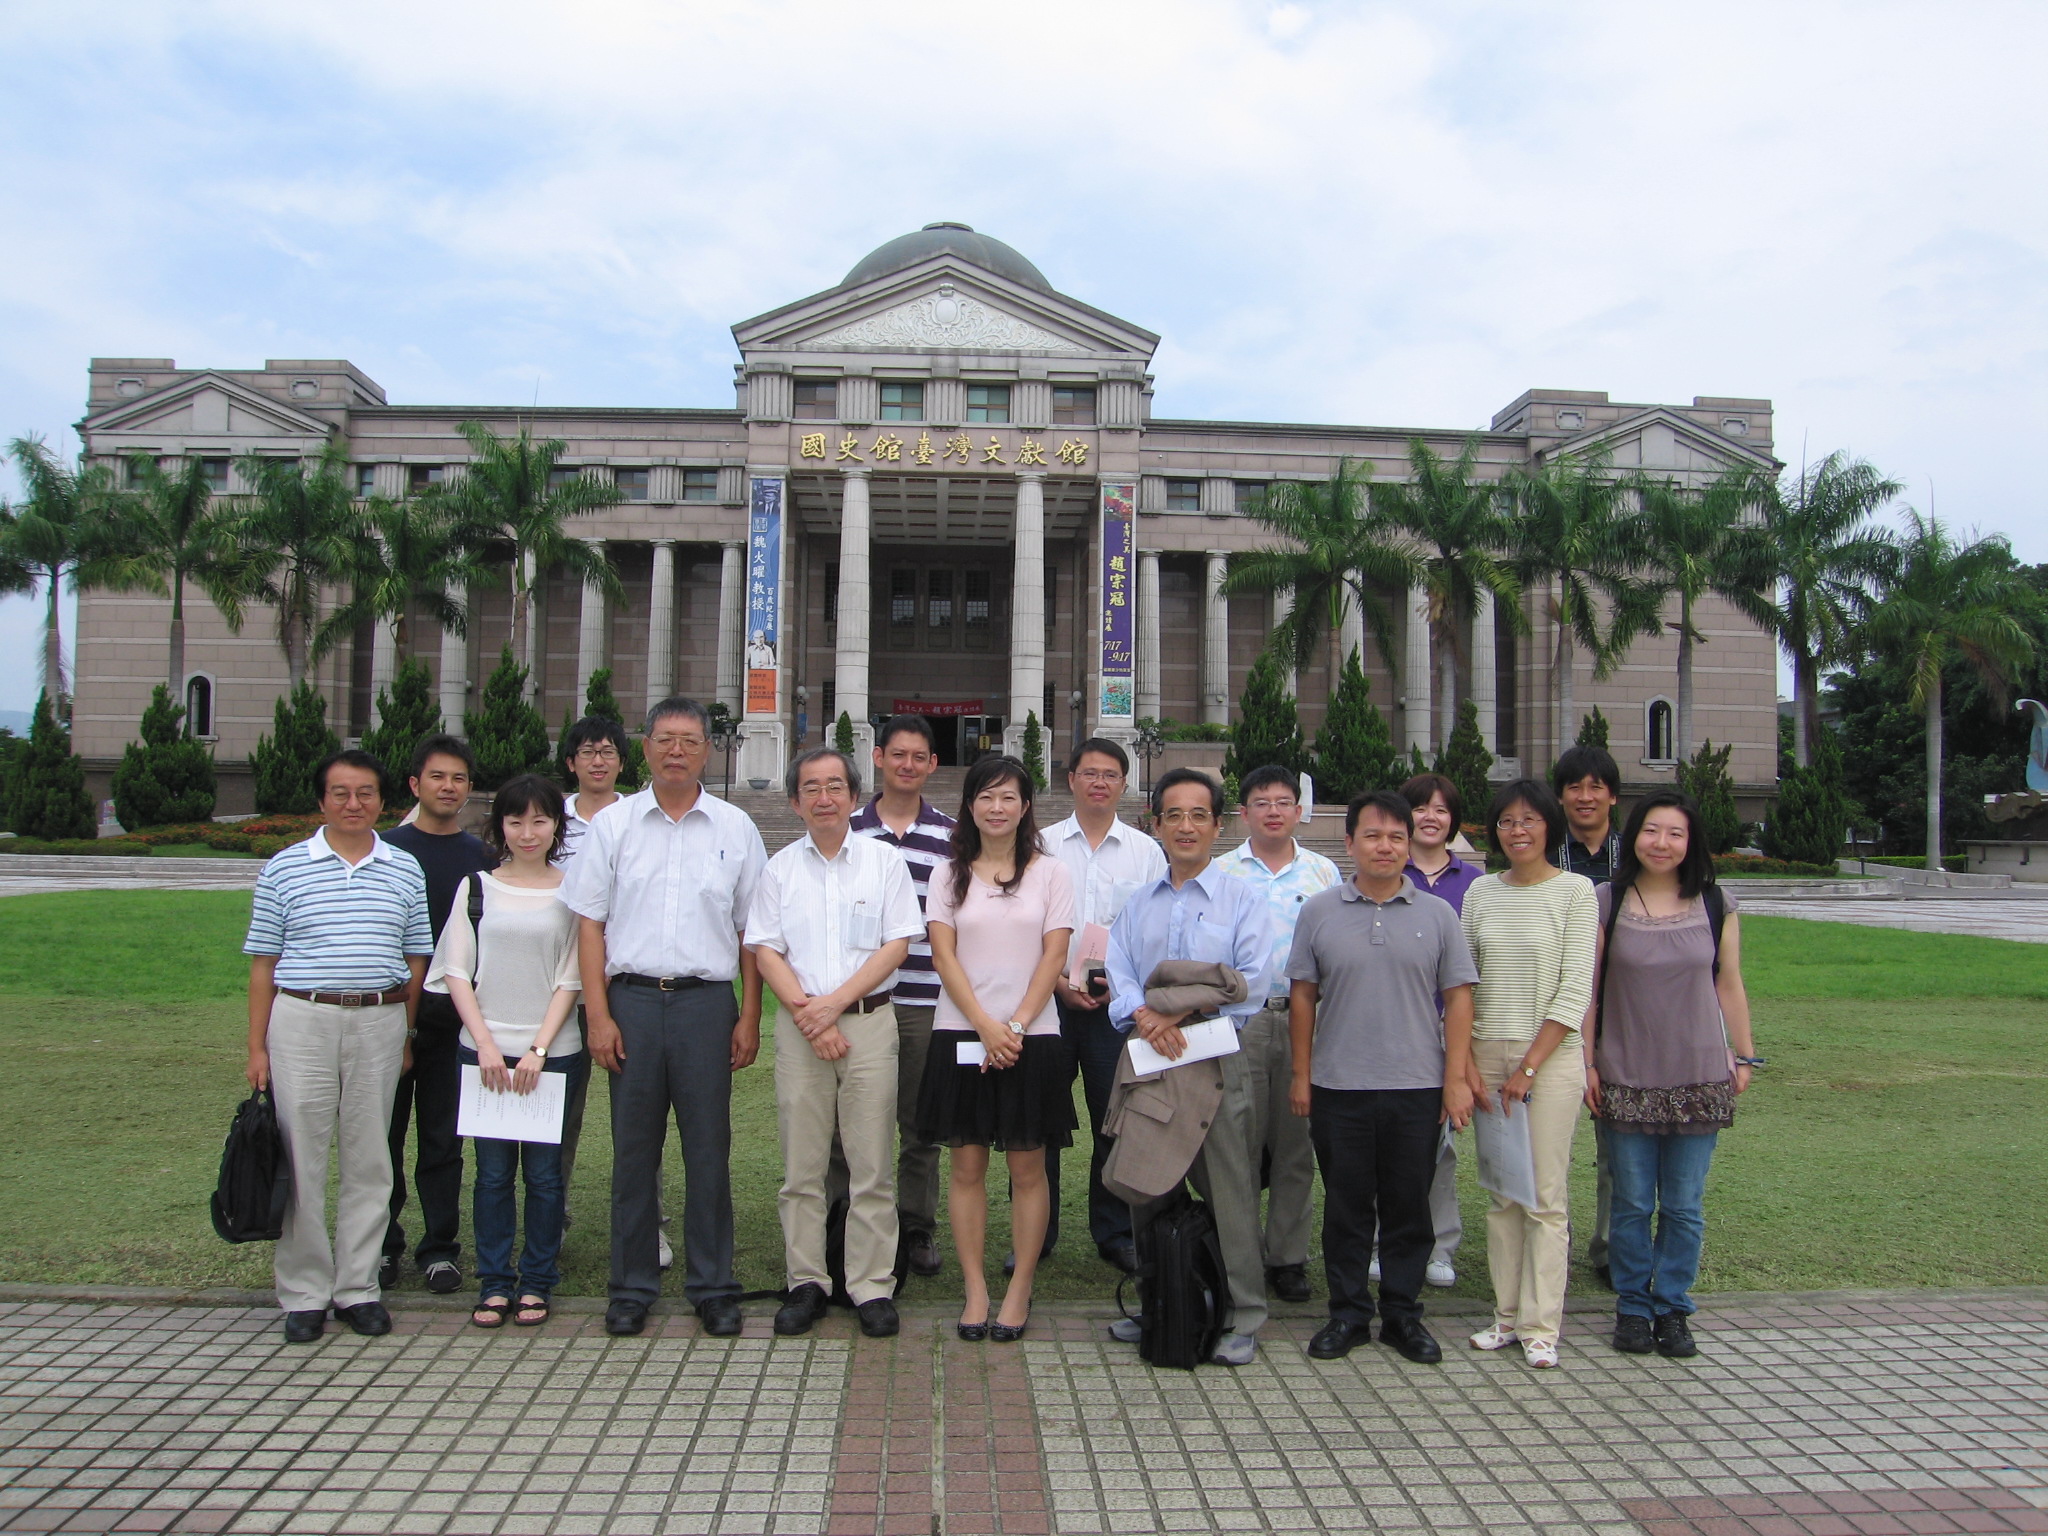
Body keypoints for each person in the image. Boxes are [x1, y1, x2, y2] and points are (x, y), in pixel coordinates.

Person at [562, 696, 767, 1338]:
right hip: (633, 1002)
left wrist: (750, 1016)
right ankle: (631, 1287)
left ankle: (712, 1285)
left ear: (708, 749)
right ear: (644, 747)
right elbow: (589, 925)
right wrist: (598, 1014)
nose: (676, 750)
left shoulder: (736, 828)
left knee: (709, 1151)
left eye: (689, 740)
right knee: (633, 1151)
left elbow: (752, 934)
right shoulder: (614, 826)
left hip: (708, 1005)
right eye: (664, 739)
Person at [243, 749, 431, 1343]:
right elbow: (263, 965)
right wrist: (256, 1049)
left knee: (370, 1157)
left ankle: (358, 1288)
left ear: (383, 799)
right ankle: (303, 1293)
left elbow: (416, 957)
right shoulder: (284, 868)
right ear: (322, 800)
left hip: (379, 1018)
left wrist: (405, 1031)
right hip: (302, 1019)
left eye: (366, 793)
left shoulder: (403, 868)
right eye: (342, 793)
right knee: (301, 1157)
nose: (355, 804)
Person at [1288, 791, 1479, 1364]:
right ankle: (1347, 1313)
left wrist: (1454, 1079)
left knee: (1408, 1208)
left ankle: (1401, 1315)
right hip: (1338, 1085)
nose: (1386, 846)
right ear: (1349, 843)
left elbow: (1459, 998)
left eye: (1397, 836)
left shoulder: (1438, 915)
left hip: (1416, 1086)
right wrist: (1302, 1074)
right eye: (1373, 835)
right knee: (1346, 1206)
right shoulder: (1318, 910)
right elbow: (1302, 996)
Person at [747, 747, 924, 1339]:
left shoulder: (882, 863)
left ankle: (870, 1284)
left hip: (869, 1024)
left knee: (872, 1163)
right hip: (801, 1032)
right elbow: (765, 949)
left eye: (835, 787)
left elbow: (897, 943)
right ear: (795, 801)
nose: (824, 798)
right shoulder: (779, 869)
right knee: (802, 1165)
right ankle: (806, 1281)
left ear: (853, 796)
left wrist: (834, 1005)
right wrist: (808, 1013)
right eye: (811, 789)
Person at [1104, 767, 1272, 1367]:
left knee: (1230, 1190)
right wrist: (1145, 1016)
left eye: (1198, 815)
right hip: (1152, 1060)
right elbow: (1118, 972)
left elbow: (1251, 984)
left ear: (1219, 826)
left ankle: (1244, 1315)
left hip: (1216, 1059)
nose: (1185, 826)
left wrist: (1171, 1010)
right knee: (1148, 1187)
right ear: (1155, 824)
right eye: (1172, 815)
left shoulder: (1242, 899)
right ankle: (1159, 1303)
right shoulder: (1139, 903)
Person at [1587, 790, 1759, 1360]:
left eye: (1676, 833)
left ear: (1692, 842)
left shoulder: (1715, 903)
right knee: (1632, 1203)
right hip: (1625, 1073)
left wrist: (1744, 1053)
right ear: (1633, 837)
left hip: (1699, 1074)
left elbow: (1727, 983)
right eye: (1652, 831)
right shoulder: (1606, 900)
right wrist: (1588, 1061)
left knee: (1684, 1205)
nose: (1662, 843)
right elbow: (1588, 992)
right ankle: (1634, 1307)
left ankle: (1674, 1308)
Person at [915, 755, 1077, 1343]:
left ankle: (1019, 1288)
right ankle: (976, 1289)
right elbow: (943, 957)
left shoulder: (1051, 873)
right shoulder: (946, 874)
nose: (997, 808)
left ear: (1026, 805)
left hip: (1033, 1037)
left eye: (1008, 797)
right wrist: (985, 1026)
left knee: (1029, 1166)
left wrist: (1016, 1024)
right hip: (961, 1033)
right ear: (970, 805)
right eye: (986, 797)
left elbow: (1054, 955)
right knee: (966, 1165)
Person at [426, 774, 586, 1331]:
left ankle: (537, 1281)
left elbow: (573, 976)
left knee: (544, 1177)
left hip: (554, 1053)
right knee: (492, 1174)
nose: (527, 831)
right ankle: (495, 1282)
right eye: (516, 820)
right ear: (500, 826)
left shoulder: (572, 891)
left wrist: (539, 1048)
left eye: (540, 820)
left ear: (556, 827)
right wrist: (487, 1044)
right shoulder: (476, 887)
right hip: (484, 1053)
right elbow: (455, 970)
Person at [1460, 778, 1599, 1369]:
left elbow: (1574, 991)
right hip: (1486, 1053)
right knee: (1501, 1194)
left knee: (1544, 1196)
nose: (1518, 830)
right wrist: (1466, 1061)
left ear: (1550, 826)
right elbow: (1463, 984)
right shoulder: (1481, 894)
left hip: (1550, 1058)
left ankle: (1543, 1327)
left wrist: (1530, 1066)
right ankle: (1507, 1317)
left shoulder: (1576, 892)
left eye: (1530, 820)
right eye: (1508, 822)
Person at [1041, 737, 1166, 1277]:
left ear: (1123, 783)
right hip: (1048, 1003)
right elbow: (1023, 924)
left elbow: (1157, 931)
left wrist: (1124, 989)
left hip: (1117, 1009)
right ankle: (1036, 1231)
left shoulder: (1146, 852)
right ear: (1070, 779)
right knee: (1039, 1122)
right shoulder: (1041, 846)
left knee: (1112, 1122)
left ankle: (1114, 1230)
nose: (1099, 783)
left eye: (1110, 774)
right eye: (1089, 773)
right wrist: (1052, 984)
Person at [381, 735, 498, 1296]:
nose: (448, 787)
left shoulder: (482, 858)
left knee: (443, 1136)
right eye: (437, 777)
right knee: (382, 1134)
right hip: (389, 1012)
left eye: (458, 779)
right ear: (414, 785)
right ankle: (382, 1244)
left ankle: (440, 1249)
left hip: (455, 1015)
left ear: (468, 789)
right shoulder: (386, 850)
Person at [1220, 765, 1339, 1304]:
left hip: (1303, 1021)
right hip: (1238, 1022)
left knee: (1296, 1145)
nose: (1273, 810)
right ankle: (1239, 1256)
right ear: (1243, 813)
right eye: (1261, 801)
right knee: (1238, 1145)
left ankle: (1288, 1256)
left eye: (1283, 801)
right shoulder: (1222, 874)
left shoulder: (1324, 875)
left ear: (1298, 811)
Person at [846, 714, 957, 1279]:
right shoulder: (845, 828)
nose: (908, 765)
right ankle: (845, 1221)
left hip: (923, 1001)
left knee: (919, 1124)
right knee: (852, 1121)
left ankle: (915, 1226)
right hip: (860, 1003)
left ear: (932, 765)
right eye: (898, 755)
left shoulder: (952, 836)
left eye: (919, 757)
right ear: (878, 758)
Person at [1379, 770, 1486, 1288]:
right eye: (1420, 807)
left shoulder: (1475, 885)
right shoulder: (1384, 874)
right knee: (1387, 1142)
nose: (1430, 817)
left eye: (1441, 810)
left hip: (1452, 1029)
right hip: (1392, 1027)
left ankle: (1440, 1244)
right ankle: (1385, 1240)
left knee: (1441, 1146)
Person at [551, 714, 649, 1255]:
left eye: (608, 752)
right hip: (560, 992)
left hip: (627, 987)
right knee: (560, 1115)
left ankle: (645, 1225)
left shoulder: (640, 818)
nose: (598, 761)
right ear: (571, 762)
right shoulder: (548, 821)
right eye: (587, 752)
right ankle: (552, 1217)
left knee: (637, 1120)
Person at [1551, 742, 1624, 1287]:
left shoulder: (1636, 856)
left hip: (1623, 1013)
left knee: (1615, 1145)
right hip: (1552, 1014)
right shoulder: (1547, 858)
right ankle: (1546, 1243)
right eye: (1575, 786)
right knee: (1547, 1143)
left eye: (1595, 786)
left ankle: (1609, 1248)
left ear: (1613, 796)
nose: (1585, 796)